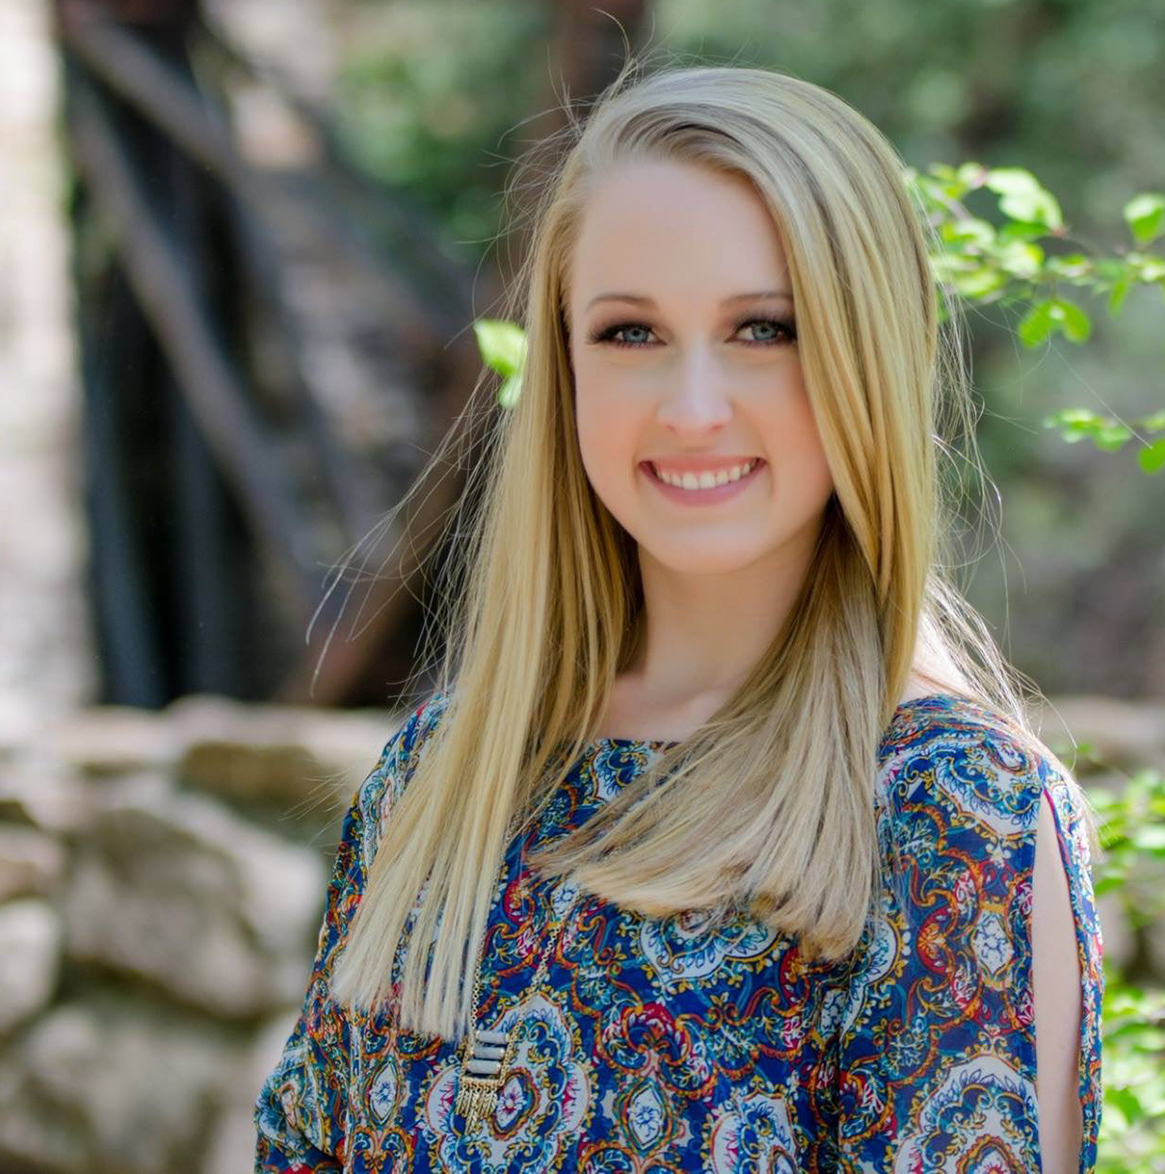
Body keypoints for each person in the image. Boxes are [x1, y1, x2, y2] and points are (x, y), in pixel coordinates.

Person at [254, 59, 1105, 1172]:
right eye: (630, 334)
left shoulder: (952, 812)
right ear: (565, 367)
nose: (693, 409)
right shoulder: (437, 775)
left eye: (764, 329)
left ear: (867, 359)